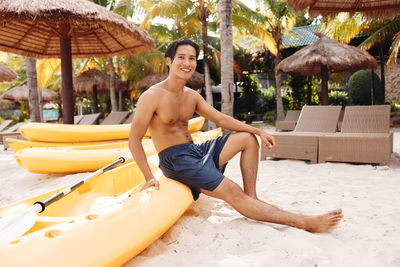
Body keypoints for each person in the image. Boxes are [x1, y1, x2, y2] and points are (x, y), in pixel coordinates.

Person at [128, 37, 343, 233]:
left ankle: (252, 198)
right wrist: (148, 177)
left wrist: (257, 131)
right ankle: (305, 222)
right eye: (181, 58)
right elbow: (134, 139)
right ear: (169, 61)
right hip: (176, 161)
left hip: (195, 151)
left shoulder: (191, 96)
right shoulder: (152, 96)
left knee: (247, 139)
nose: (187, 63)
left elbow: (221, 119)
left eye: (192, 58)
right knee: (232, 190)